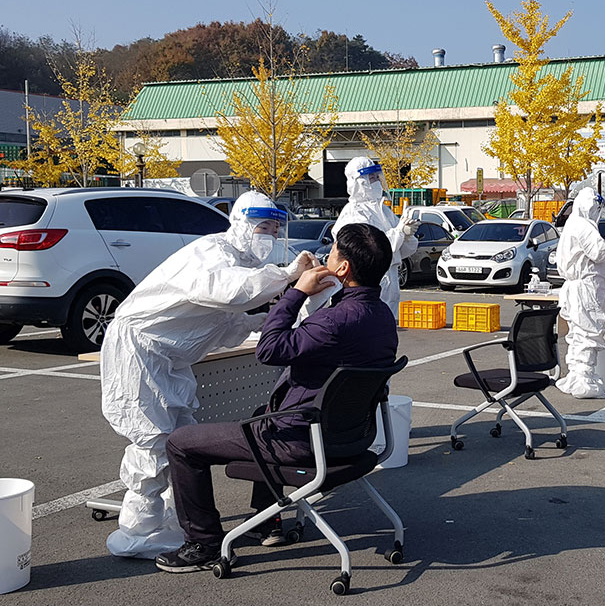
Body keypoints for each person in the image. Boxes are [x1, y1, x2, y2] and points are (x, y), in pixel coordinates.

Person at [157, 223, 398, 573]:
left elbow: (269, 349)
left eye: (331, 250)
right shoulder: (382, 317)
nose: (326, 254)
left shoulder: (335, 320)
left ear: (343, 268)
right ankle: (264, 522)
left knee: (181, 443)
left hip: (302, 441)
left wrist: (296, 292)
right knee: (263, 412)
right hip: (353, 438)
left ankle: (204, 543)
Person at [100, 190, 316, 559]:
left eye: (275, 229)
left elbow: (226, 325)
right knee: (151, 441)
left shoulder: (241, 264)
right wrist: (289, 276)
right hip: (139, 350)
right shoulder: (213, 255)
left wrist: (272, 318)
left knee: (179, 438)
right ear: (241, 224)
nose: (269, 235)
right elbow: (230, 292)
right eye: (262, 226)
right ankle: (137, 531)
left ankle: (172, 517)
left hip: (170, 359)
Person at [554, 188, 605, 399]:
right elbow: (600, 252)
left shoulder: (572, 225)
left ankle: (578, 376)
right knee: (588, 332)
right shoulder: (583, 226)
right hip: (585, 288)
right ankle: (584, 379)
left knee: (578, 334)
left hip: (578, 287)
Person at [332, 157, 418, 318]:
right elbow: (367, 250)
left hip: (389, 282)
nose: (377, 181)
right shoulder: (354, 212)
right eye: (372, 178)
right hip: (365, 284)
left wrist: (407, 235)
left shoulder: (382, 210)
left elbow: (400, 252)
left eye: (377, 177)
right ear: (359, 182)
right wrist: (398, 232)